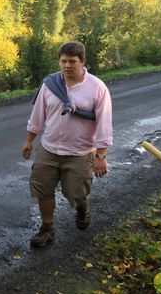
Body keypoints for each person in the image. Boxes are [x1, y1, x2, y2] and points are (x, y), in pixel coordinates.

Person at [22, 41, 112, 247]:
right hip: (49, 149)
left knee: (77, 193)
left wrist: (101, 156)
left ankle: (82, 206)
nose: (67, 66)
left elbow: (104, 124)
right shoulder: (49, 84)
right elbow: (37, 117)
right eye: (63, 61)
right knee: (43, 190)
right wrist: (29, 141)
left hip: (80, 153)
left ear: (82, 61)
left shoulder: (97, 88)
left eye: (72, 61)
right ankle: (47, 229)